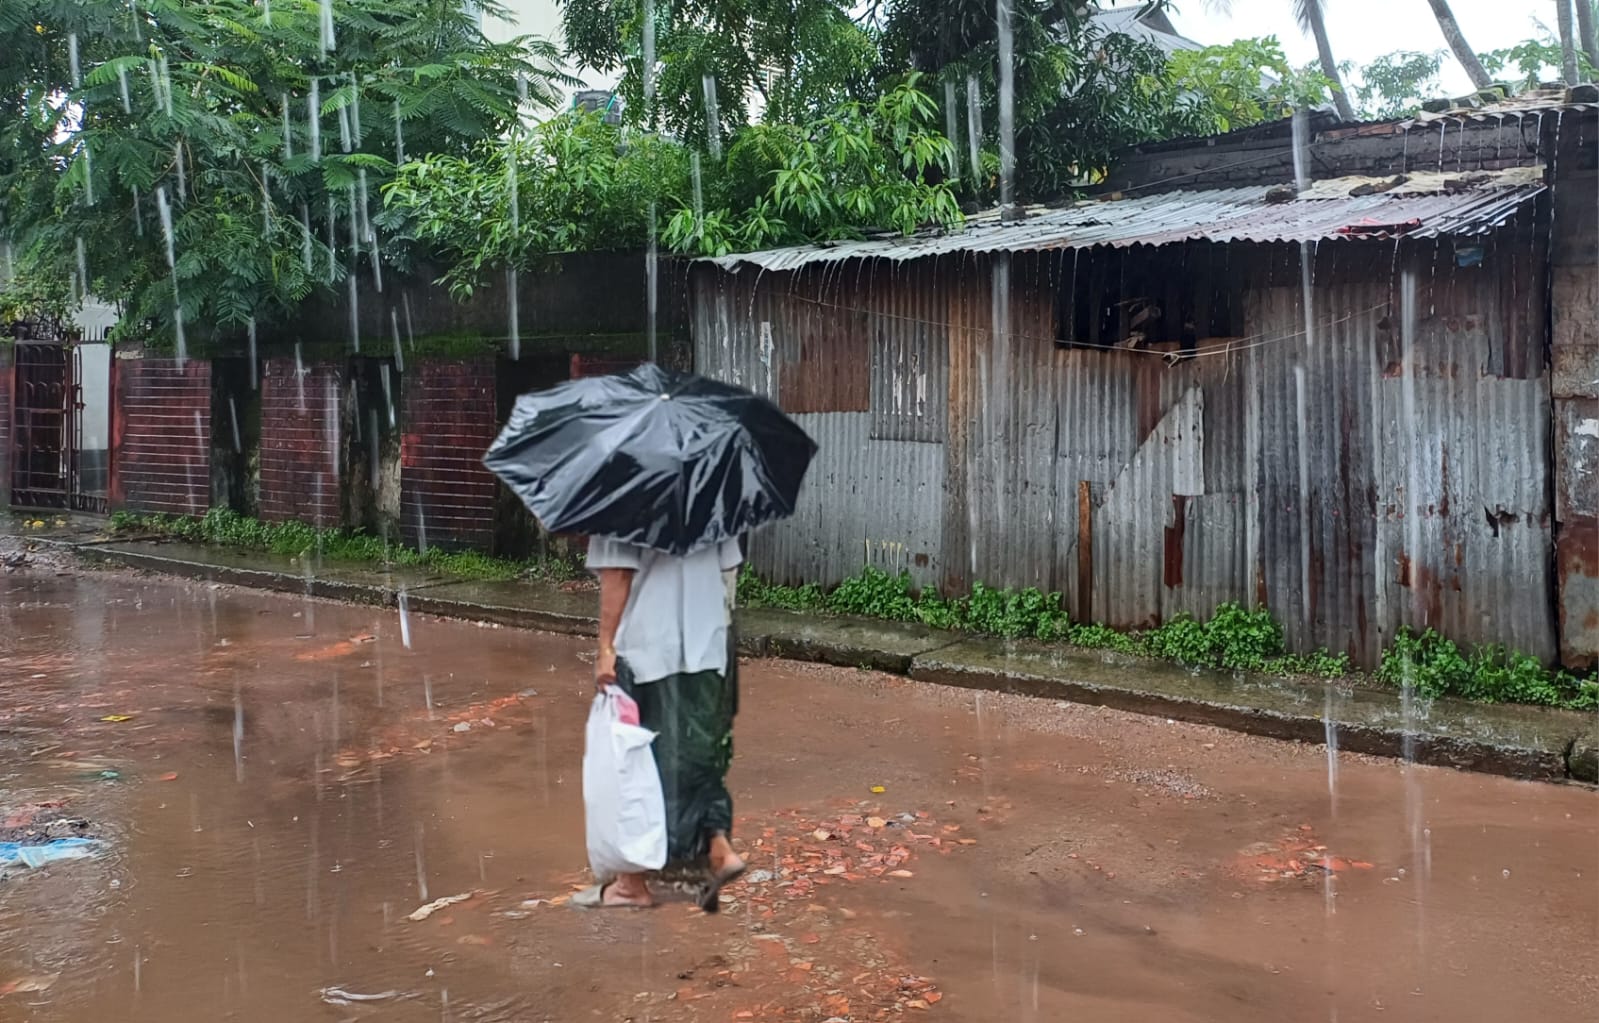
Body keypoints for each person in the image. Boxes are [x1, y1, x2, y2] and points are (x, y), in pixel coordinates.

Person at [572, 535, 747, 911]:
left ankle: (630, 884)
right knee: (697, 751)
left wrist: (605, 648)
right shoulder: (713, 485)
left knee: (634, 761)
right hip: (707, 645)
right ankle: (718, 849)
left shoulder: (624, 488)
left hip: (648, 646)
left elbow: (618, 572)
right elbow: (726, 566)